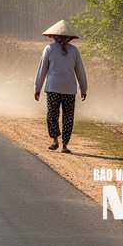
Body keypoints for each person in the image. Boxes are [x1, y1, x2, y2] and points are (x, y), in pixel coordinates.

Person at [34, 19, 87, 153]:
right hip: (67, 89)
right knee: (67, 117)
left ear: (54, 36)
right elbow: (80, 71)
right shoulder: (72, 50)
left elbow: (42, 70)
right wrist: (83, 88)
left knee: (52, 115)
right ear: (69, 38)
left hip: (54, 89)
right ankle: (62, 144)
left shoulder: (50, 49)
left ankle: (57, 141)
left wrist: (37, 89)